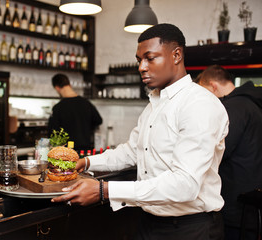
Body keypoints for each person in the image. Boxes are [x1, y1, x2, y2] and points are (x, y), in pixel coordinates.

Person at [51, 23, 229, 240]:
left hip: (190, 229)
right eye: (139, 60)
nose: (141, 67)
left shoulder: (199, 104)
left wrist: (103, 190)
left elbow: (185, 185)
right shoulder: (154, 104)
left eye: (150, 58)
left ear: (176, 55)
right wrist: (86, 162)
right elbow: (131, 151)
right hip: (149, 221)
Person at [196, 65, 262, 240]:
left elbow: (217, 152)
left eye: (204, 92)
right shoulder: (251, 103)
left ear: (213, 87)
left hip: (236, 201)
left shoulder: (232, 108)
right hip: (251, 196)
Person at [48, 73, 102, 151]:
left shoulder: (58, 108)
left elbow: (52, 133)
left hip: (67, 153)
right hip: (86, 151)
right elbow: (98, 120)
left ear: (57, 88)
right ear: (69, 84)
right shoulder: (86, 103)